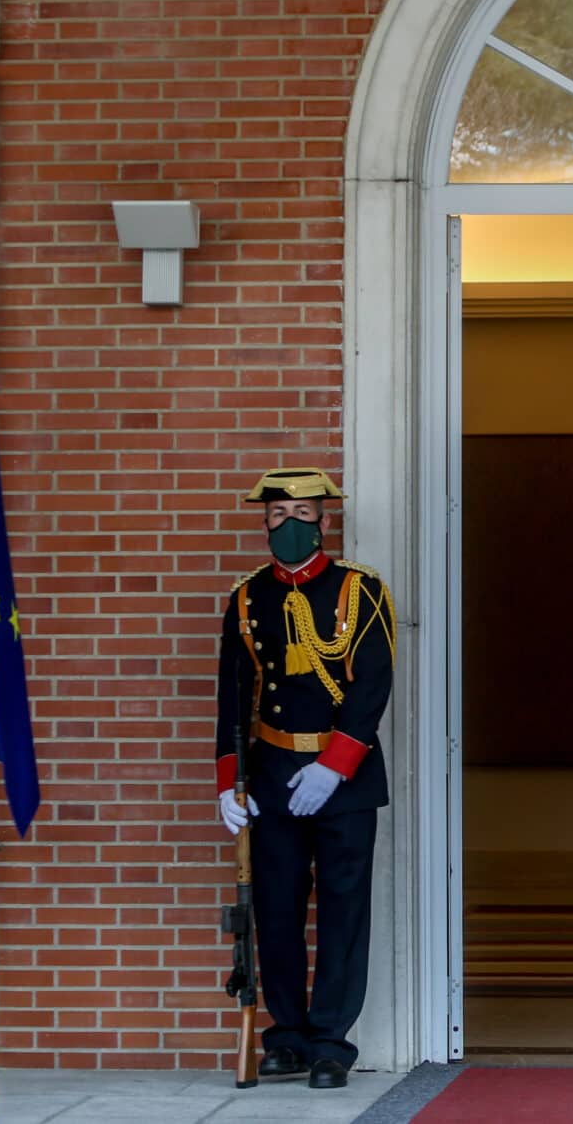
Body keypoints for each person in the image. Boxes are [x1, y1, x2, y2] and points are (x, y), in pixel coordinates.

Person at [214, 467, 395, 1089]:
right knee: (277, 907)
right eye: (277, 514)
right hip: (271, 771)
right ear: (263, 521)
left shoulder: (359, 590)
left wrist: (333, 765)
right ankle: (285, 1037)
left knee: (344, 911)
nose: (289, 524)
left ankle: (330, 1043)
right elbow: (232, 700)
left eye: (302, 513)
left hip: (344, 777)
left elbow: (371, 686)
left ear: (325, 518)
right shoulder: (247, 597)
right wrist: (228, 783)